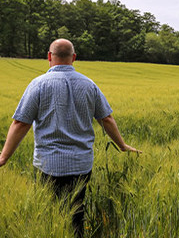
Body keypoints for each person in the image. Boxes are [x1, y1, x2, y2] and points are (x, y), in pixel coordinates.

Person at [0, 38, 140, 237]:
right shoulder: (89, 85)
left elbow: (21, 123)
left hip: (49, 165)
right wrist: (122, 145)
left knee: (51, 214)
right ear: (74, 58)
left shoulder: (38, 84)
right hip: (81, 165)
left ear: (49, 56)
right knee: (76, 214)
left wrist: (4, 157)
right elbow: (106, 119)